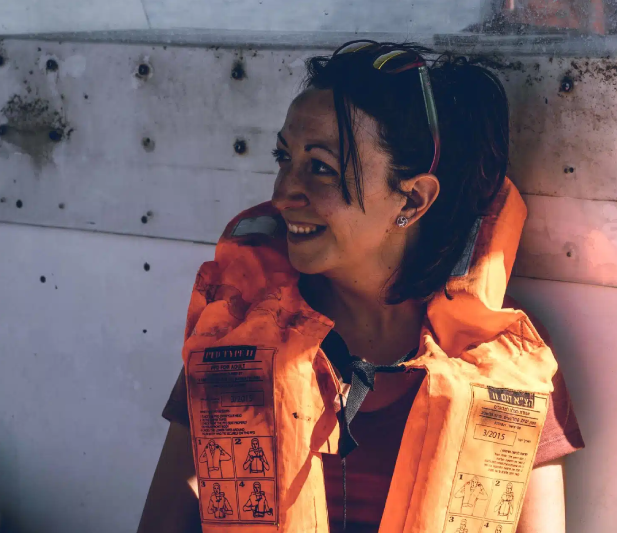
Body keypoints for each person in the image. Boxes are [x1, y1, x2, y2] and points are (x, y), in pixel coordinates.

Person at [137, 41, 584, 533]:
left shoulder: (508, 356)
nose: (283, 192)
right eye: (284, 157)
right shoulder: (237, 337)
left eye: (321, 167)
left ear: (412, 199)